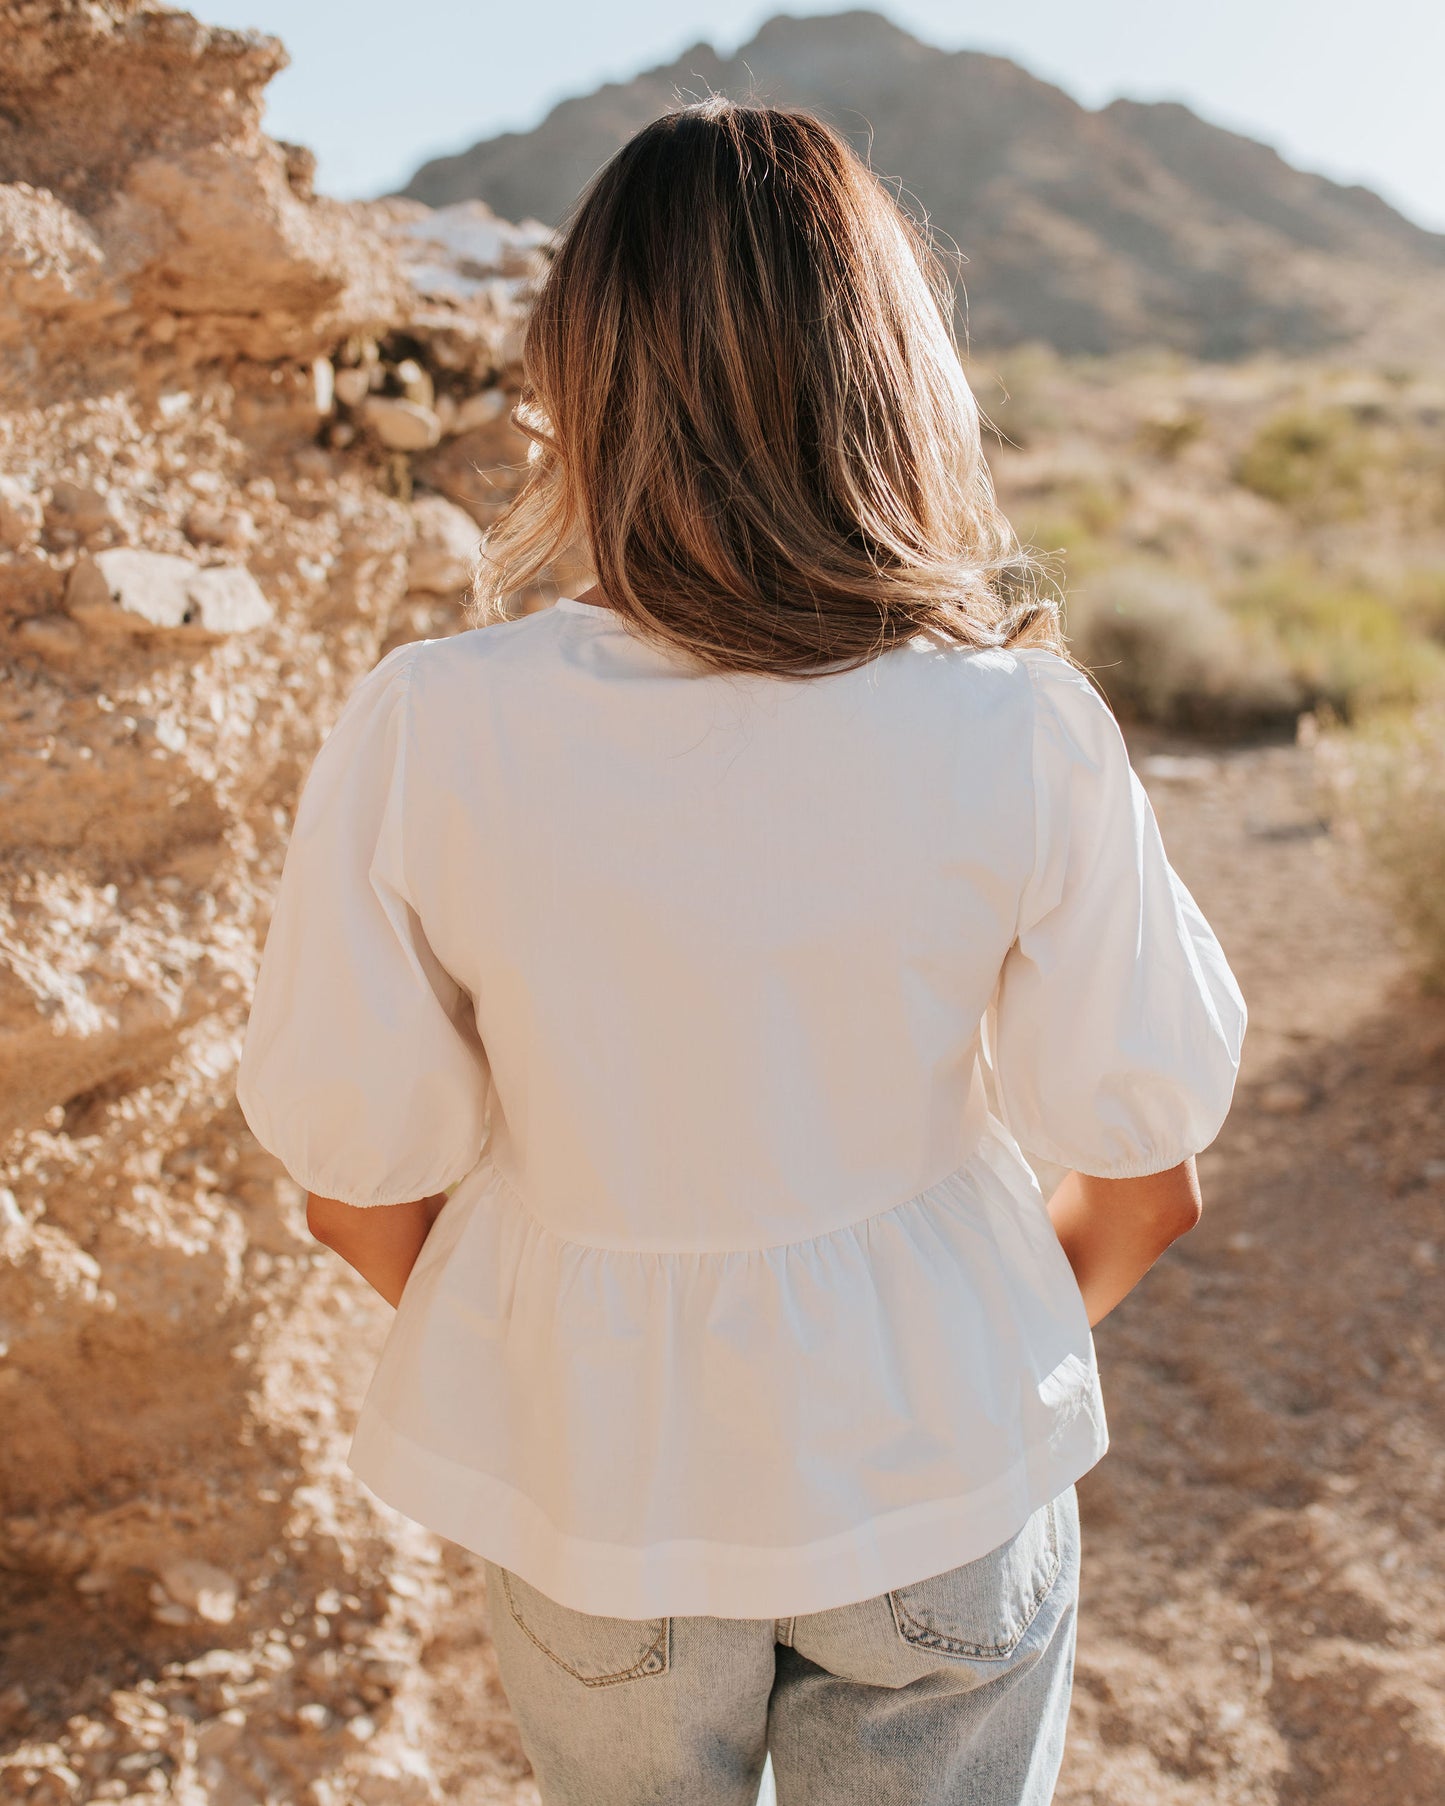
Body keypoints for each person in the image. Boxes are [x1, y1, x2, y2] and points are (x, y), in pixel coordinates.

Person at [237, 100, 1246, 1806]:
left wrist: (602, 1375)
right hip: (939, 1498)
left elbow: (355, 1192)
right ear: (891, 370)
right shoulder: (1015, 728)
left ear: (582, 381)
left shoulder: (434, 726)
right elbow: (1145, 1181)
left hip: (600, 1514)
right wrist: (932, 1370)